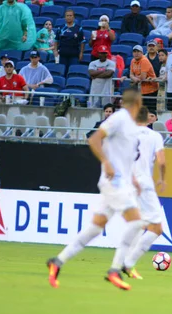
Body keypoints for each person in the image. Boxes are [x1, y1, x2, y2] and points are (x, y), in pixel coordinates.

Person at [46, 89, 145, 291]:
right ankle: (115, 270)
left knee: (96, 227)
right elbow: (94, 139)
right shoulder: (119, 118)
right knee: (137, 222)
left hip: (121, 182)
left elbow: (124, 157)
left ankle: (57, 261)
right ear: (136, 101)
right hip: (114, 182)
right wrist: (106, 162)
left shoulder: (131, 126)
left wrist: (132, 178)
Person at [120, 106, 166, 280]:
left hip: (128, 183)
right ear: (148, 119)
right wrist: (162, 178)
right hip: (144, 183)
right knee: (157, 228)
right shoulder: (154, 136)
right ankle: (128, 263)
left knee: (139, 223)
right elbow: (161, 161)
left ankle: (124, 261)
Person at [130, 44, 158, 111]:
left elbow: (143, 77)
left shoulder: (144, 60)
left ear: (142, 53)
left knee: (150, 111)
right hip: (140, 89)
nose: (136, 53)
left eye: (138, 52)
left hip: (150, 89)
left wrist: (135, 78)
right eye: (134, 51)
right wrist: (135, 79)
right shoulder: (133, 61)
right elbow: (131, 74)